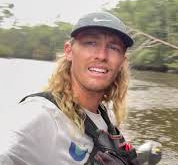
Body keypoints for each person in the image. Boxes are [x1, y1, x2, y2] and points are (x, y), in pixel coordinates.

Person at [0, 11, 140, 165]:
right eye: (91, 43)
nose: (101, 55)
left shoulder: (104, 117)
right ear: (69, 51)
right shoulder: (41, 115)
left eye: (113, 47)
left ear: (121, 61)